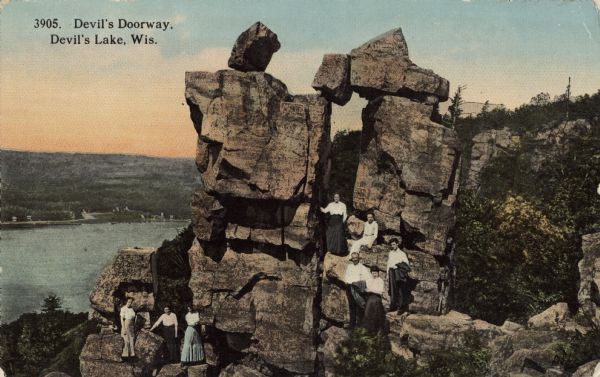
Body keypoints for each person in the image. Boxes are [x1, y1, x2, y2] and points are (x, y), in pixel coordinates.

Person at [343, 252, 370, 328]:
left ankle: (360, 325)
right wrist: (347, 284)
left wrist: (360, 286)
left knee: (359, 305)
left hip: (357, 288)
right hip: (349, 287)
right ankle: (352, 324)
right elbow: (346, 276)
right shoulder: (349, 267)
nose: (355, 259)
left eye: (356, 258)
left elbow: (367, 278)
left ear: (358, 258)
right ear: (352, 259)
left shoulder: (362, 267)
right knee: (351, 306)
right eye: (353, 258)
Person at [387, 238, 411, 313]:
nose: (393, 246)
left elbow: (407, 264)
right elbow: (388, 264)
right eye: (391, 245)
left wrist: (398, 266)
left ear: (397, 244)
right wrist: (387, 275)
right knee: (392, 289)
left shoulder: (402, 253)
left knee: (400, 289)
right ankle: (393, 306)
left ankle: (401, 307)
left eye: (394, 244)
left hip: (398, 272)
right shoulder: (390, 253)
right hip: (391, 272)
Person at [362, 266, 386, 334]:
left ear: (378, 273)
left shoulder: (380, 280)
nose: (374, 275)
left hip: (377, 298)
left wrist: (371, 290)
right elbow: (367, 289)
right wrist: (367, 290)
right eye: (373, 273)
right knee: (368, 313)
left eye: (375, 273)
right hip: (370, 297)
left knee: (376, 314)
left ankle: (377, 330)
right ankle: (369, 330)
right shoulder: (370, 280)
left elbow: (380, 292)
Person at [120, 297, 136, 362]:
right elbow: (121, 319)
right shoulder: (123, 308)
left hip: (131, 325)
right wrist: (123, 328)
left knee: (131, 339)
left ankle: (132, 355)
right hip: (126, 324)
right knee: (126, 340)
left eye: (131, 302)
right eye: (129, 302)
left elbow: (133, 317)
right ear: (126, 302)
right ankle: (125, 356)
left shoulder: (132, 309)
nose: (130, 303)